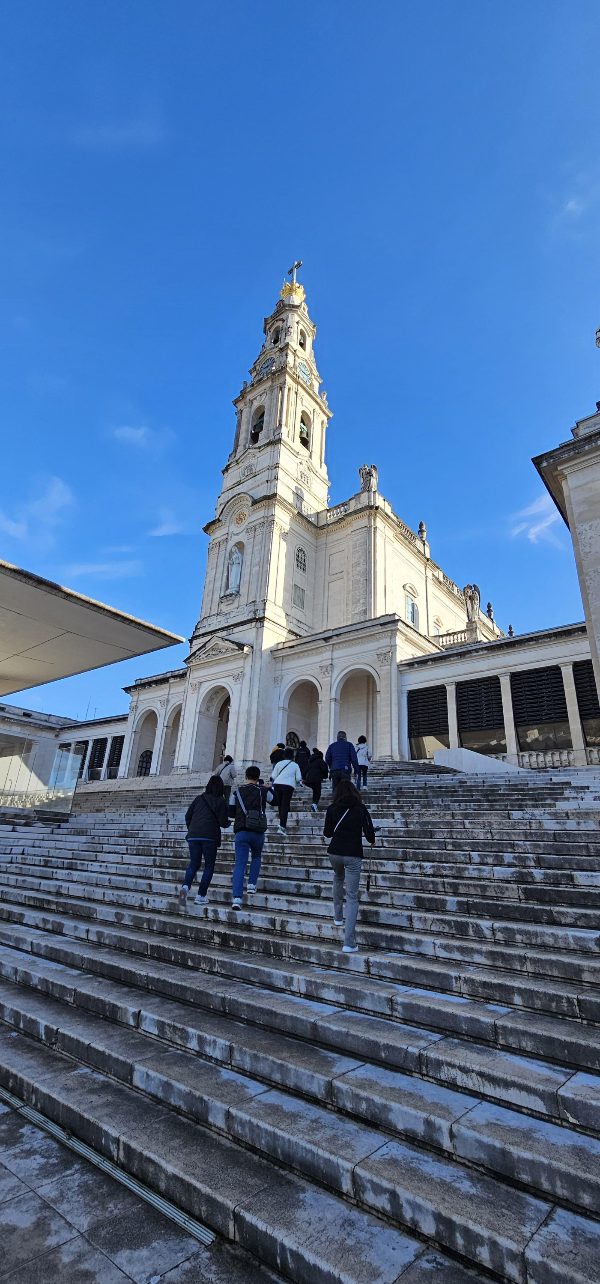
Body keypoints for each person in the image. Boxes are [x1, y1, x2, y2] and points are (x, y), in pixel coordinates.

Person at [323, 778, 375, 952]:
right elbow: (369, 832)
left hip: (334, 852)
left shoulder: (332, 808)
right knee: (352, 896)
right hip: (353, 853)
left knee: (338, 878)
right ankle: (349, 942)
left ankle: (338, 917)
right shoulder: (360, 808)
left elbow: (327, 832)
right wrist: (372, 841)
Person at [178, 775, 231, 910]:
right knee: (209, 866)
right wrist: (229, 823)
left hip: (194, 835)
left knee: (194, 863)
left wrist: (192, 829)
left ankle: (185, 886)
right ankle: (200, 895)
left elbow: (187, 816)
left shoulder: (199, 798)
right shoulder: (221, 801)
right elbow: (222, 822)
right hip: (210, 837)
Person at [230, 766, 273, 908]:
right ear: (258, 777)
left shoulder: (236, 793)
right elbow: (275, 801)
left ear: (246, 777)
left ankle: (237, 898)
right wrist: (266, 787)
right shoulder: (263, 791)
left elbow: (230, 812)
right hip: (258, 831)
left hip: (242, 831)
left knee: (240, 864)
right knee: (256, 856)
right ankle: (252, 885)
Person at [270, 748, 303, 835]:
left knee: (280, 805)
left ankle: (281, 823)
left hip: (277, 785)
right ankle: (282, 826)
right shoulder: (295, 765)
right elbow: (299, 778)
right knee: (285, 805)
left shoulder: (279, 763)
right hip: (288, 786)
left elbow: (273, 776)